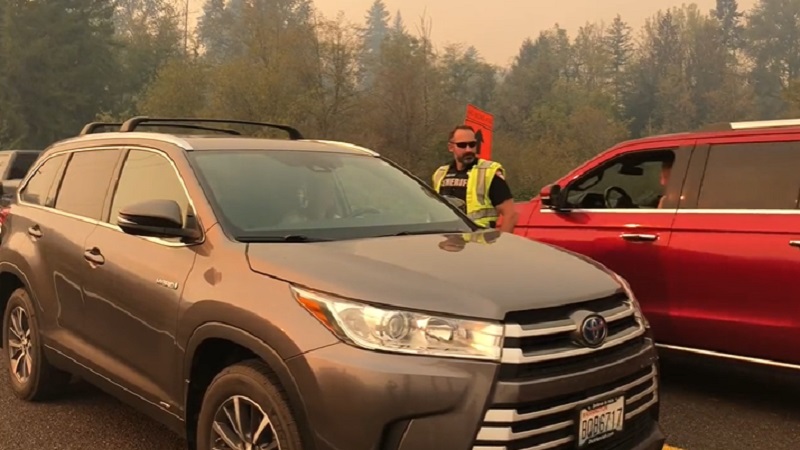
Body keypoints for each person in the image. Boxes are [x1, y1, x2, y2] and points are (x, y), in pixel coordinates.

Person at [431, 124, 518, 232]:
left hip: (479, 242)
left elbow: (510, 214)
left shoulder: (489, 172)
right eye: (462, 145)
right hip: (448, 240)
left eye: (472, 144)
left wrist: (501, 245)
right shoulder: (440, 174)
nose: (468, 149)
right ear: (450, 147)